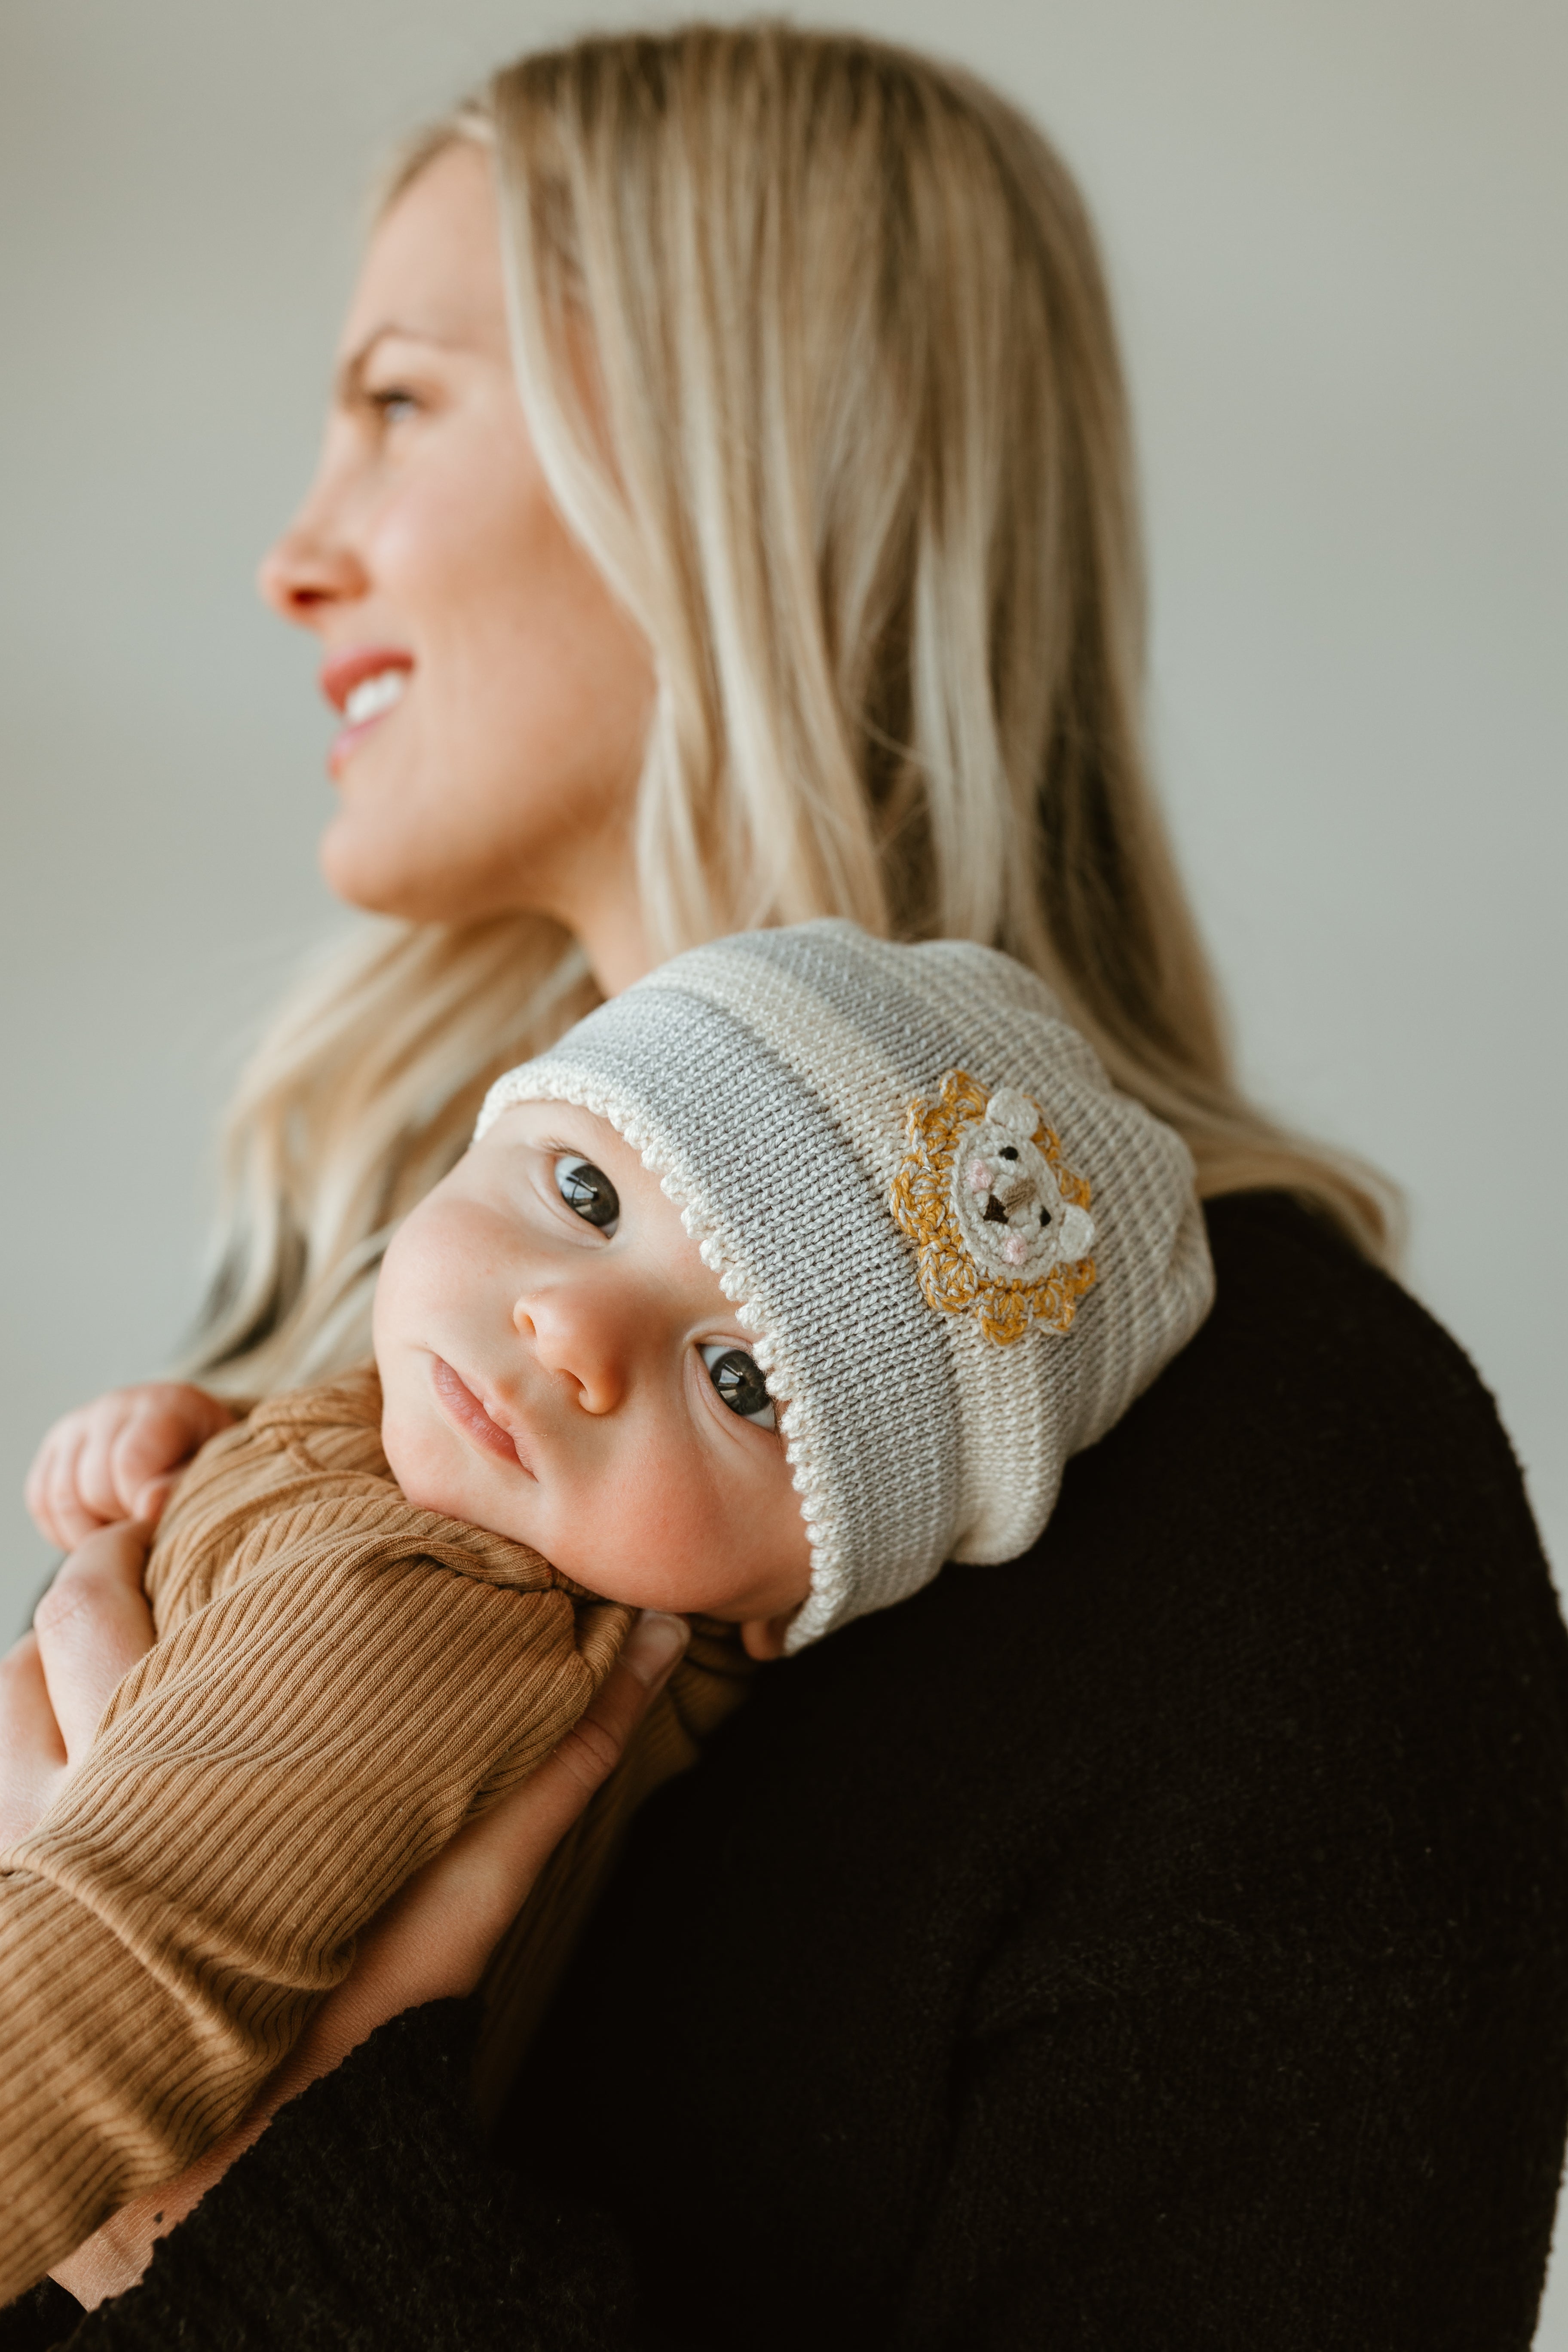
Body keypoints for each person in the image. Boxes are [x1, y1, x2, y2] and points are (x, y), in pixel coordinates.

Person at [3, 22, 1565, 2348]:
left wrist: (237, 2175)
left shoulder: (1296, 1491)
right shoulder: (382, 1312)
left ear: (721, 470)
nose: (291, 557)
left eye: (401, 404)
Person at [1, 920, 1212, 2307]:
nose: (573, 1330)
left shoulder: (453, 1616)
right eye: (587, 1191)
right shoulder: (438, 1498)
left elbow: (121, 1972)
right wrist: (215, 1447)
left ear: (783, 1606)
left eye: (740, 1382)